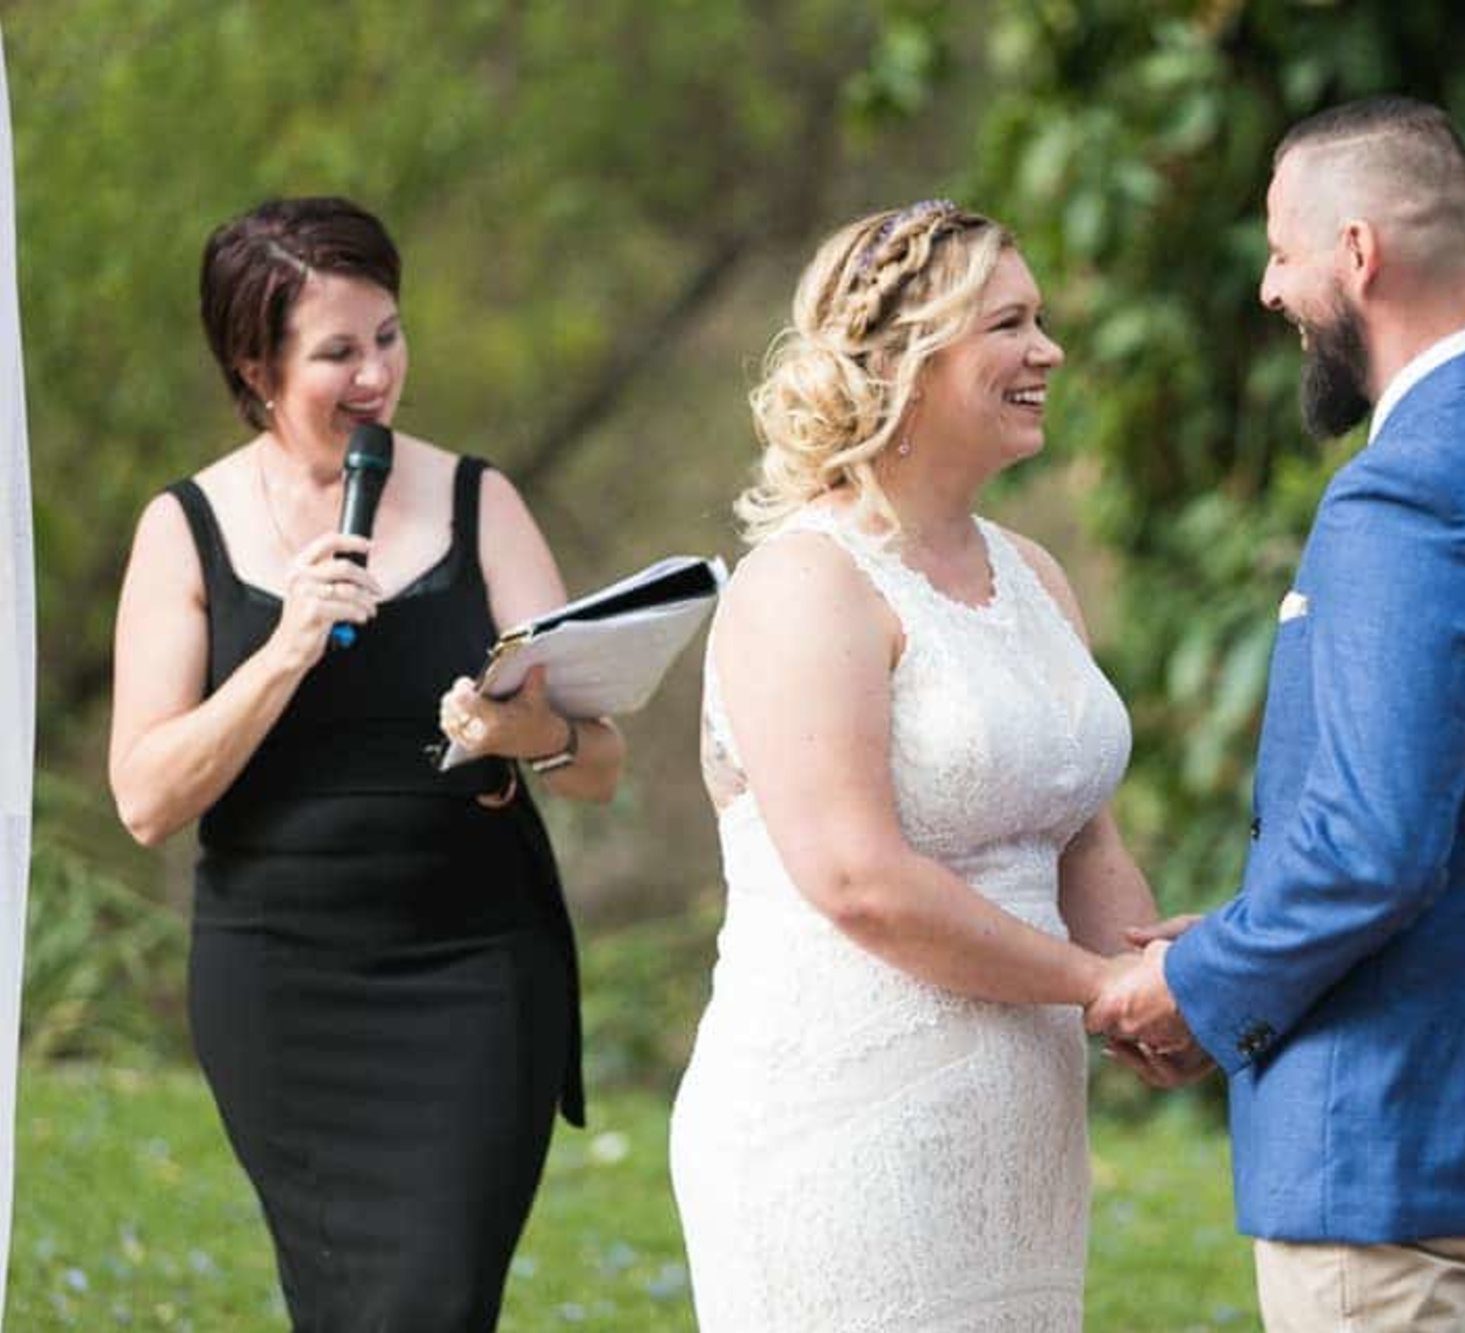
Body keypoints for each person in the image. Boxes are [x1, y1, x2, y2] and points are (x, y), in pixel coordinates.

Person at [1088, 97, 1465, 1333]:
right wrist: (1237, 930)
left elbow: (1371, 846)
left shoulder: (1403, 492)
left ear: (1354, 253)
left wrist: (1200, 978)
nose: (1270, 290)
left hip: (1381, 1142)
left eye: (1281, 252)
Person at [107, 196, 624, 1331]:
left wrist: (522, 735)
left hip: (478, 972)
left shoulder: (482, 500)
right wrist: (287, 647)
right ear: (255, 362)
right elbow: (146, 798)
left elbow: (598, 761)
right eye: (337, 351)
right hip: (282, 985)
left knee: (434, 1300)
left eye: (386, 336)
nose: (377, 374)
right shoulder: (183, 527)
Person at [669, 199, 1158, 1330]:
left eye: (1039, 320)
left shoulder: (1033, 572)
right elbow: (856, 878)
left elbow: (1085, 834)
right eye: (1008, 325)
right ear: (906, 360)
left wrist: (1147, 995)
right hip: (839, 1134)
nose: (1048, 351)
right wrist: (1094, 988)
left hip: (1016, 1140)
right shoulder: (803, 585)